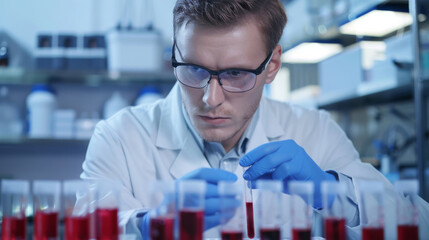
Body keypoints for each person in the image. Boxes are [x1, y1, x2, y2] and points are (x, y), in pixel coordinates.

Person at [81, 0, 429, 239]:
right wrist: (149, 226)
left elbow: (419, 226)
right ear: (175, 53)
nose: (211, 98)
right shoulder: (120, 137)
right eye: (194, 69)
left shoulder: (316, 132)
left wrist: (332, 191)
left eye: (236, 74)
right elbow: (83, 230)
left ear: (272, 65)